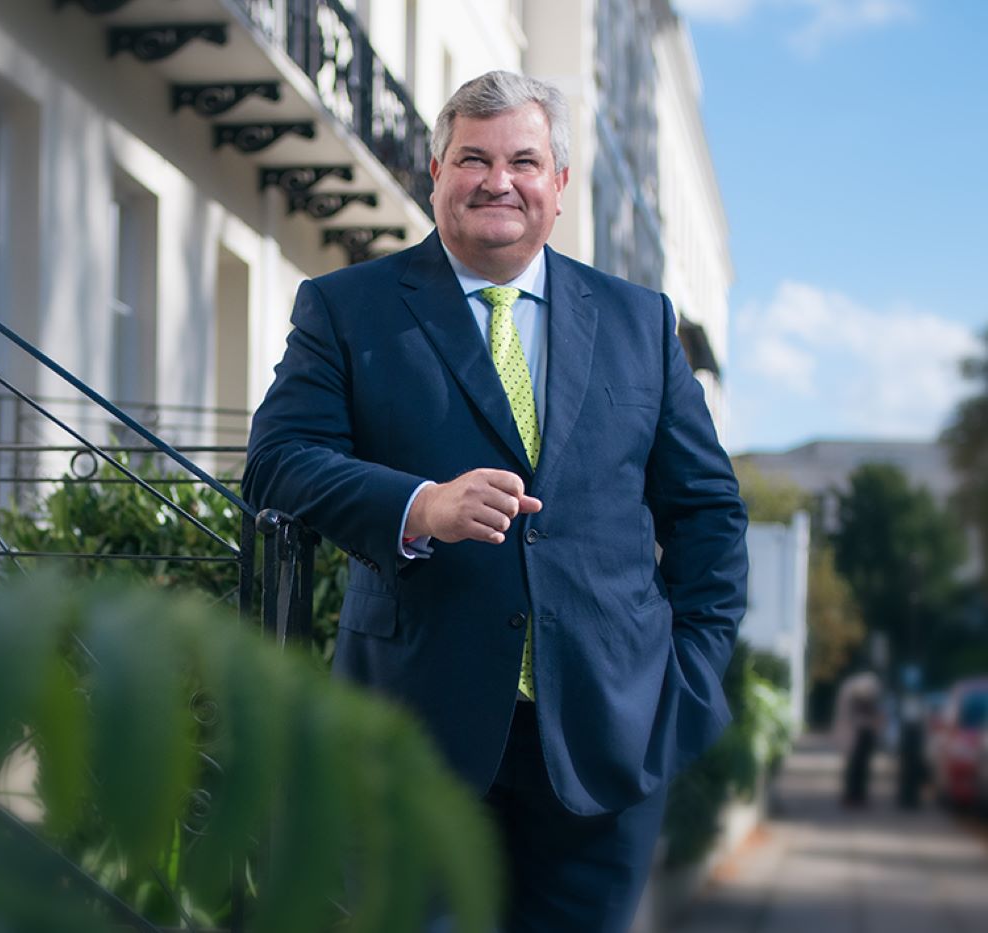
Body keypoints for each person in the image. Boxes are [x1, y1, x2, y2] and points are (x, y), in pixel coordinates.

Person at [243, 71, 748, 932]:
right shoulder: (347, 308)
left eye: (523, 159)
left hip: (607, 740)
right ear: (434, 171)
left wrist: (690, 683)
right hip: (414, 735)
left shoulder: (640, 321)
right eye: (472, 158)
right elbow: (279, 461)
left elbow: (706, 511)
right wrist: (420, 505)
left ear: (558, 184)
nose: (497, 179)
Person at [833, 668, 885, 807]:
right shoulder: (865, 686)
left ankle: (855, 796)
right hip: (859, 732)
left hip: (858, 732)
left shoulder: (852, 685)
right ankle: (854, 796)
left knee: (857, 767)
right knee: (857, 767)